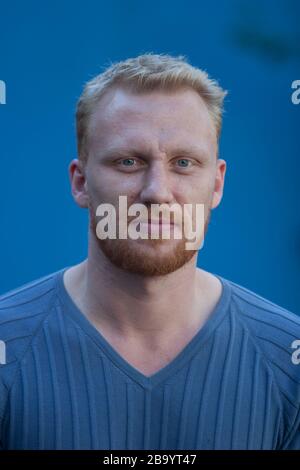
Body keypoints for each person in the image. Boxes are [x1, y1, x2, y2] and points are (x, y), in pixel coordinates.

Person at [0, 53, 299, 450]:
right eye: (128, 161)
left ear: (216, 185)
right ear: (80, 183)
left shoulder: (288, 363)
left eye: (183, 163)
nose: (157, 191)